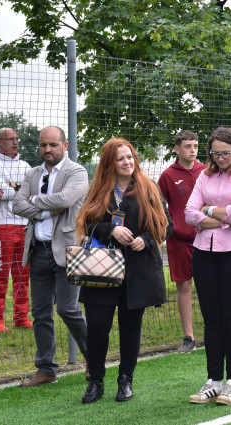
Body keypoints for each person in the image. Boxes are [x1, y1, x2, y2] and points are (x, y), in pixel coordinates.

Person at [75, 138, 172, 403]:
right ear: (110, 163)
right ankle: (95, 380)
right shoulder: (99, 190)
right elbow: (86, 224)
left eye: (129, 156)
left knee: (131, 328)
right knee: (97, 326)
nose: (127, 162)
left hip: (137, 271)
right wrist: (110, 229)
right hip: (102, 270)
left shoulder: (148, 188)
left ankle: (125, 379)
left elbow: (167, 225)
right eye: (120, 158)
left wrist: (148, 239)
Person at [185, 127, 231, 406]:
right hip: (204, 253)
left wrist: (207, 212)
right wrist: (224, 218)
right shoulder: (204, 175)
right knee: (211, 319)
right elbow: (188, 213)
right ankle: (213, 381)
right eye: (215, 153)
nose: (219, 158)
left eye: (225, 153)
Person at [12, 126, 89, 387]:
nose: (47, 150)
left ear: (64, 146)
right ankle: (46, 369)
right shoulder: (32, 173)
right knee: (40, 313)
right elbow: (17, 205)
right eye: (43, 145)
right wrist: (45, 210)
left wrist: (35, 200)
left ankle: (93, 358)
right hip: (37, 253)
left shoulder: (76, 172)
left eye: (53, 145)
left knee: (68, 309)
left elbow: (66, 199)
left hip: (68, 252)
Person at [158, 130, 206, 353]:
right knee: (184, 285)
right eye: (188, 146)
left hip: (207, 237)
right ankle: (189, 338)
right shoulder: (168, 175)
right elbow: (159, 207)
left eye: (195, 146)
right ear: (177, 149)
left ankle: (216, 331)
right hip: (179, 241)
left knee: (211, 286)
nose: (192, 150)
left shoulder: (207, 171)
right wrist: (171, 228)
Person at [0, 128, 32, 332]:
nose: (15, 142)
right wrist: (21, 189)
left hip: (25, 225)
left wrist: (14, 186)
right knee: (0, 275)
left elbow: (32, 191)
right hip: (2, 226)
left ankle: (21, 318)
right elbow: (0, 192)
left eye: (17, 138)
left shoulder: (26, 165)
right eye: (10, 139)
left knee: (23, 275)